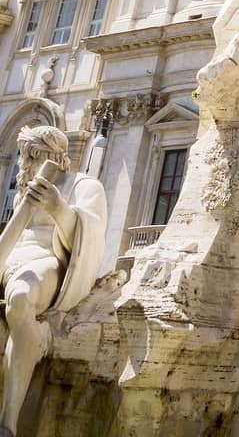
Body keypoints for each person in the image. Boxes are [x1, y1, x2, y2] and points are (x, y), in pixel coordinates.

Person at [0, 123, 108, 436]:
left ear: (54, 157)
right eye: (24, 157)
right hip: (13, 258)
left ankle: (7, 423)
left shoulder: (84, 186)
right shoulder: (24, 195)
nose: (26, 165)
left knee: (20, 296)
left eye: (33, 157)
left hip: (48, 262)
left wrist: (58, 207)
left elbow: (89, 237)